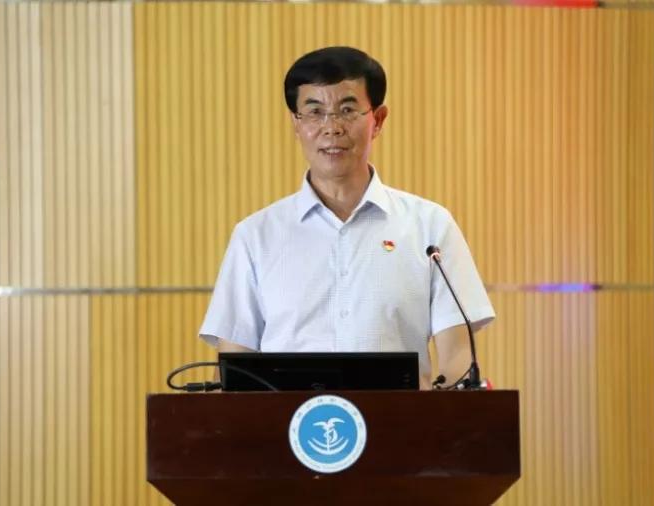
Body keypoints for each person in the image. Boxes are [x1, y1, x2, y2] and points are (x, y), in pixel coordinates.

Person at [199, 46, 494, 389]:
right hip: (287, 424)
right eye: (315, 112)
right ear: (296, 123)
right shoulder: (256, 235)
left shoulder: (430, 227)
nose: (332, 128)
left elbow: (457, 361)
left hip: (399, 422)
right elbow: (233, 369)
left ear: (378, 120)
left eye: (347, 110)